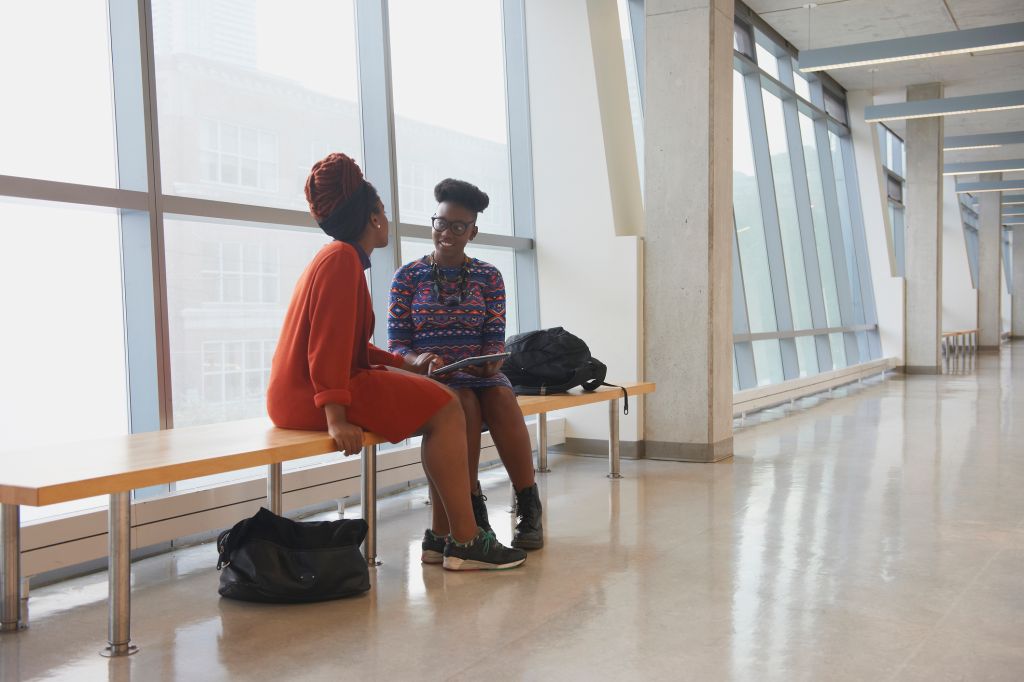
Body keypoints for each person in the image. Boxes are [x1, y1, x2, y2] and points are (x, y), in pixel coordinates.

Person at [266, 153, 525, 571]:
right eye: (383, 211)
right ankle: (464, 539)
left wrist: (407, 366)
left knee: (441, 399)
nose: (386, 218)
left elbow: (354, 345)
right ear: (372, 220)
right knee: (447, 406)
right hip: (311, 394)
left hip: (315, 386)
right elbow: (326, 348)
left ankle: (439, 537)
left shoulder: (338, 258)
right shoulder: (342, 261)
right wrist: (335, 417)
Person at [388, 178, 543, 559]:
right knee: (464, 406)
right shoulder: (407, 277)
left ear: (473, 231)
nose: (448, 232)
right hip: (433, 379)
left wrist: (490, 360)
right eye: (442, 222)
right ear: (433, 223)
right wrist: (419, 361)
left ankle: (528, 503)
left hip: (480, 374)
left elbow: (494, 337)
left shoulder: (489, 276)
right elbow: (397, 346)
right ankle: (471, 508)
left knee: (502, 398)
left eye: (459, 226)